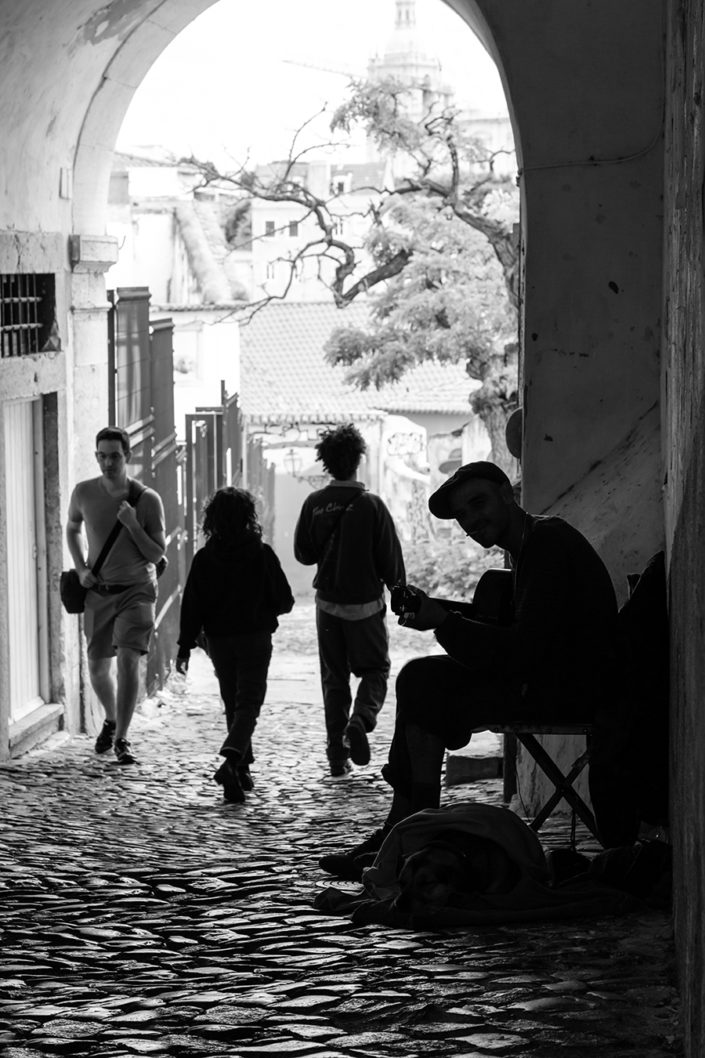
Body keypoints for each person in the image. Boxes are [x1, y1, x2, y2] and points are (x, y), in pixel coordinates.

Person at [319, 460, 619, 879]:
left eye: (478, 503)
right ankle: (405, 829)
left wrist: (443, 622)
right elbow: (522, 633)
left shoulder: (546, 543)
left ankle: (412, 831)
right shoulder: (529, 545)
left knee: (423, 682)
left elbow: (523, 652)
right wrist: (442, 613)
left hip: (572, 688)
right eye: (463, 515)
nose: (472, 519)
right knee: (421, 679)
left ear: (507, 492)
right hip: (549, 677)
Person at [294, 424, 405, 777]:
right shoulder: (372, 505)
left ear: (326, 463)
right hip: (366, 608)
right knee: (376, 670)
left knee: (334, 679)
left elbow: (303, 554)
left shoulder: (313, 503)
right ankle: (360, 720)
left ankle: (336, 756)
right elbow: (391, 560)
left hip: (327, 607)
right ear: (359, 459)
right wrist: (400, 596)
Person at [176, 487, 294, 804]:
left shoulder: (204, 559)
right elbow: (285, 600)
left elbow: (192, 606)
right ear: (248, 518)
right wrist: (264, 610)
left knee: (233, 700)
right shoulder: (262, 554)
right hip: (255, 638)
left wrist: (185, 646)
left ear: (211, 520)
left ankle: (242, 768)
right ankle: (231, 761)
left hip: (219, 642)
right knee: (249, 704)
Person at [66, 426, 166, 765]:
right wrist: (81, 568)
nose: (108, 463)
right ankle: (111, 718)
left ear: (128, 456)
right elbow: (72, 527)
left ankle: (122, 737)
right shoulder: (83, 492)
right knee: (97, 668)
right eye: (103, 456)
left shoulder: (147, 499)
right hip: (99, 592)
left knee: (127, 660)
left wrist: (134, 524)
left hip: (137, 591)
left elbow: (155, 554)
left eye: (115, 456)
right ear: (96, 456)